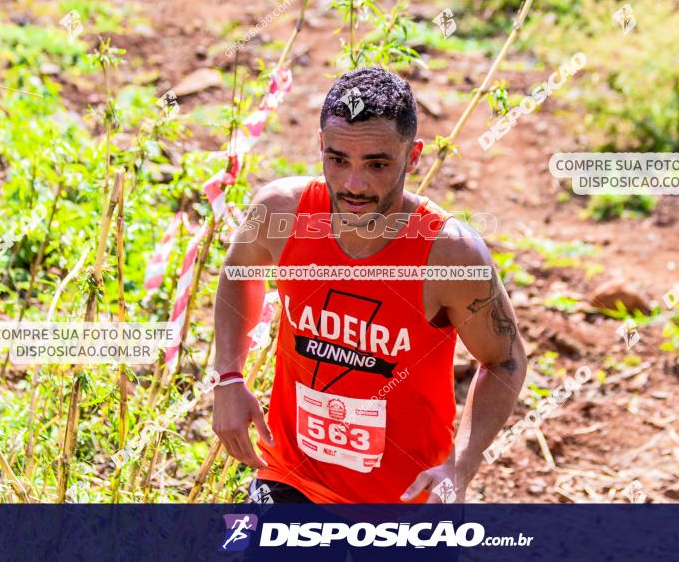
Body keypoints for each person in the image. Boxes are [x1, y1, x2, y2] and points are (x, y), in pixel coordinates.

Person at [211, 66, 527, 504]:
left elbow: (505, 360)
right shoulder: (282, 212)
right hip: (290, 478)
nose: (353, 184)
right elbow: (238, 272)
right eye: (338, 160)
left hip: (405, 502)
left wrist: (462, 463)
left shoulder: (450, 254)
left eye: (377, 164)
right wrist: (227, 376)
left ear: (412, 157)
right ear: (320, 146)